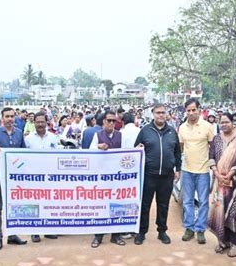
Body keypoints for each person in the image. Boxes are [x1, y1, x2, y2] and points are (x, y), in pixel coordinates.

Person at [133, 104, 181, 245]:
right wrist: (138, 149)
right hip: (149, 174)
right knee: (145, 204)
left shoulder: (172, 131)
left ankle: (162, 231)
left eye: (163, 113)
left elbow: (177, 152)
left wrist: (177, 169)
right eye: (158, 112)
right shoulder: (145, 131)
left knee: (163, 204)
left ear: (166, 114)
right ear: (153, 114)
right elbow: (136, 150)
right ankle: (141, 232)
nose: (161, 115)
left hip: (166, 175)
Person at [208, 112, 236, 257]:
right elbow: (211, 157)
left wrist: (230, 174)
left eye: (226, 122)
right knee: (219, 209)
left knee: (235, 211)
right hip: (219, 182)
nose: (224, 124)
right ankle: (222, 241)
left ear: (233, 122)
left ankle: (235, 244)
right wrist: (217, 174)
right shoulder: (216, 139)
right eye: (221, 122)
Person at [0, 107, 27, 250]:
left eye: (12, 116)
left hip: (15, 175)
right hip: (0, 173)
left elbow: (24, 153)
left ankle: (12, 235)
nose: (10, 119)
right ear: (2, 118)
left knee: (14, 205)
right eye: (7, 116)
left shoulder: (19, 133)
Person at [178, 98, 214, 244]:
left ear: (199, 110)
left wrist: (212, 165)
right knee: (187, 201)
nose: (191, 113)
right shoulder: (182, 127)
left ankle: (200, 230)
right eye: (188, 110)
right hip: (186, 170)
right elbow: (181, 147)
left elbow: (213, 147)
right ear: (185, 111)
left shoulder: (208, 127)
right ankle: (189, 228)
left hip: (203, 170)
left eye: (194, 110)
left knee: (204, 201)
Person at [89, 111, 125, 248]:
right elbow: (90, 151)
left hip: (117, 177)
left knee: (116, 206)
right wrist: (98, 147)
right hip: (102, 177)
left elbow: (128, 152)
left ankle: (115, 236)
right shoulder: (97, 135)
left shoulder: (121, 135)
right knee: (101, 206)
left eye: (113, 121)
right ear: (103, 122)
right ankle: (98, 236)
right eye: (108, 120)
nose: (111, 123)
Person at [25, 111, 58, 243]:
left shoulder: (53, 137)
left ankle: (48, 230)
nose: (40, 124)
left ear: (46, 123)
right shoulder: (28, 139)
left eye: (42, 122)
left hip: (49, 177)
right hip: (34, 177)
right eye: (37, 122)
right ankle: (34, 231)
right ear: (34, 123)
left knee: (49, 203)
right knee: (34, 204)